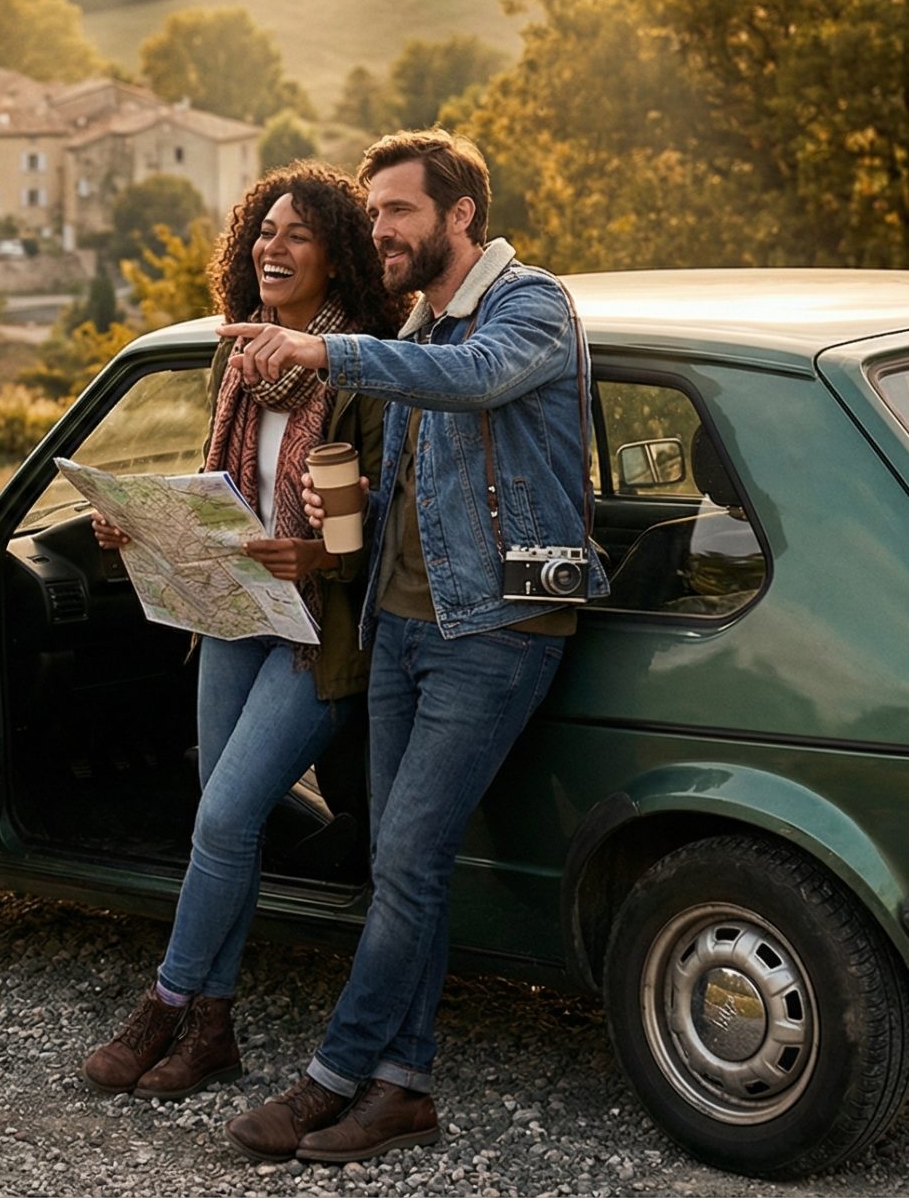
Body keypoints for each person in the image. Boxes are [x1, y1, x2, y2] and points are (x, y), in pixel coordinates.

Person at [213, 129, 604, 1165]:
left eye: (396, 212)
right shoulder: (423, 325)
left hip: (498, 625)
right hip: (397, 626)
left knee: (408, 859)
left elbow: (478, 382)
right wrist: (325, 515)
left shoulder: (530, 308)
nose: (377, 229)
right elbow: (398, 478)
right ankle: (403, 1084)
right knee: (401, 866)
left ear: (459, 214)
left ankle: (334, 1075)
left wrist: (321, 348)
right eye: (374, 213)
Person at [78, 161, 404, 1104]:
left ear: (335, 259)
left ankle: (165, 1001)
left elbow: (375, 521)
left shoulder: (359, 371)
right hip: (231, 612)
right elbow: (226, 494)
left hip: (317, 633)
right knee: (223, 825)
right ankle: (213, 1025)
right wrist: (139, 523)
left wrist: (324, 559)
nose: (273, 244)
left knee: (224, 815)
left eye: (297, 233)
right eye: (264, 229)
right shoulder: (236, 363)